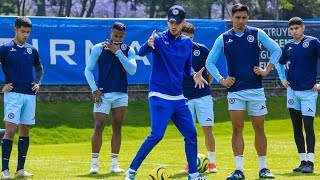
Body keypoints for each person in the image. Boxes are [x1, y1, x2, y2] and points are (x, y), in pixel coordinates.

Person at [124, 5, 209, 180]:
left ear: (183, 23)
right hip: (159, 95)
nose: (173, 25)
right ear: (167, 21)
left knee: (191, 134)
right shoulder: (159, 39)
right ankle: (131, 171)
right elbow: (140, 52)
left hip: (178, 98)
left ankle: (193, 174)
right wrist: (147, 45)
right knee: (157, 135)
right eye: (171, 21)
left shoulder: (186, 42)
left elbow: (187, 68)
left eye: (177, 22)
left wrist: (194, 75)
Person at [205, 3, 282, 180]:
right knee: (237, 128)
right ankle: (239, 170)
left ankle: (263, 168)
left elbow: (276, 50)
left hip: (256, 90)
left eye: (244, 17)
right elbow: (209, 62)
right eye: (237, 17)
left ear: (248, 18)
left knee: (259, 127)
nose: (241, 21)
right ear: (231, 18)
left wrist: (266, 70)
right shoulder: (224, 38)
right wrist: (222, 80)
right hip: (235, 91)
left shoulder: (256, 34)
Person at [84, 22, 137, 174]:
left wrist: (118, 52)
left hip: (121, 94)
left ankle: (114, 164)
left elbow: (132, 70)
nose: (117, 39)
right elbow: (88, 70)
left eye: (120, 36)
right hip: (103, 94)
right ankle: (94, 164)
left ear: (124, 35)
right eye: (115, 36)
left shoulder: (128, 50)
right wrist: (94, 89)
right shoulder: (98, 48)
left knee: (117, 127)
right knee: (99, 125)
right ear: (110, 33)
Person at [0, 16, 44, 179]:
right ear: (15, 29)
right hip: (13, 94)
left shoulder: (32, 50)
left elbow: (39, 69)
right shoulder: (5, 48)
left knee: (25, 130)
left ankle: (20, 170)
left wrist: (38, 83)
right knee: (11, 129)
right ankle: (5, 170)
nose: (25, 35)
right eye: (22, 31)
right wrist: (1, 87)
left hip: (29, 95)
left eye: (28, 32)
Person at [276, 17, 320, 173]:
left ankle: (311, 162)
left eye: (297, 28)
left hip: (309, 92)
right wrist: (283, 79)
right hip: (292, 92)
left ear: (303, 27)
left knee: (308, 126)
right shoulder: (288, 47)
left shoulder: (313, 42)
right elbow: (279, 63)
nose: (294, 31)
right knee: (296, 127)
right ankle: (302, 161)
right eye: (292, 29)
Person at [180, 22, 217, 173]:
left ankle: (212, 164)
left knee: (207, 129)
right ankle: (190, 165)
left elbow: (212, 68)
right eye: (185, 37)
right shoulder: (174, 51)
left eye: (190, 38)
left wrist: (206, 84)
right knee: (189, 133)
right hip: (184, 98)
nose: (187, 41)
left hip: (203, 97)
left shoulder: (201, 49)